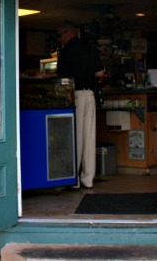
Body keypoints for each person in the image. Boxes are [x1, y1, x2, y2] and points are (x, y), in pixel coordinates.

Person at [55, 21, 103, 189]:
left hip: (75, 95)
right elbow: (100, 72)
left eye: (60, 35)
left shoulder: (67, 50)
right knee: (89, 136)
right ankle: (88, 178)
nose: (59, 39)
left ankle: (73, 179)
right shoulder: (89, 47)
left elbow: (61, 76)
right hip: (90, 94)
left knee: (76, 136)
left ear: (67, 33)